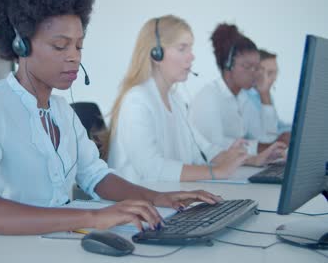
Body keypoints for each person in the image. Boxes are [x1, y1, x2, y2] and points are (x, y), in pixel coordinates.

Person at [0, 0, 221, 238]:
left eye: (79, 45)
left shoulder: (61, 110)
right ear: (21, 44)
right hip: (1, 251)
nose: (74, 56)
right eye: (60, 45)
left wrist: (160, 198)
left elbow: (96, 176)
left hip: (55, 243)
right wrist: (93, 217)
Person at [105, 15, 249, 184]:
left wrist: (237, 157)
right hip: (136, 202)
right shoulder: (136, 101)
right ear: (156, 54)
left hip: (167, 198)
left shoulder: (176, 100)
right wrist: (216, 171)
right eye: (182, 48)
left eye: (190, 48)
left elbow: (201, 149)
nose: (192, 56)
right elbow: (151, 168)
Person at [189, 23, 286, 166]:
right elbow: (215, 149)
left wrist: (264, 93)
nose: (256, 73)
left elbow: (266, 137)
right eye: (248, 67)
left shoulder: (242, 97)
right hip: (209, 173)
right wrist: (259, 149)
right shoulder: (209, 97)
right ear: (228, 65)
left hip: (234, 169)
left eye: (257, 67)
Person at [243, 49, 291, 145]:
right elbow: (266, 137)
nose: (274, 78)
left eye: (275, 72)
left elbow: (277, 125)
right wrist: (264, 94)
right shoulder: (243, 98)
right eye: (270, 73)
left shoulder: (259, 94)